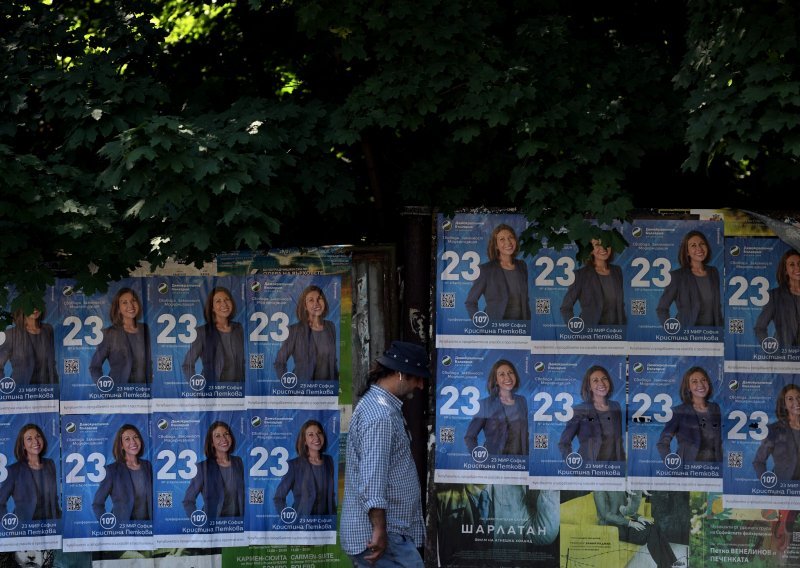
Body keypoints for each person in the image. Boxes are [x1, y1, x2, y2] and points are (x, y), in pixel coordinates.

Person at [341, 341, 429, 567]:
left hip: (389, 534)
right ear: (400, 374)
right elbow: (373, 476)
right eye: (417, 377)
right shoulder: (380, 415)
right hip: (383, 536)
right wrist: (379, 529)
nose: (420, 385)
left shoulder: (379, 406)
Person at [593, 490, 683, 568]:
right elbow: (606, 515)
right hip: (610, 527)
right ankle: (664, 566)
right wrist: (630, 523)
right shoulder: (599, 490)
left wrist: (639, 518)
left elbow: (626, 509)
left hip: (622, 523)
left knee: (654, 525)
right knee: (649, 532)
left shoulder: (618, 487)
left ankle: (672, 561)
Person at [558, 365, 625, 462]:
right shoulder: (579, 410)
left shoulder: (615, 406)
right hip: (589, 469)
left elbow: (618, 441)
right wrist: (574, 464)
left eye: (604, 379)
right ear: (589, 386)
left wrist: (622, 464)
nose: (601, 383)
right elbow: (564, 443)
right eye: (595, 380)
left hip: (613, 469)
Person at [465, 224, 531, 321]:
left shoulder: (522, 266)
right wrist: (482, 325)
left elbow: (524, 300)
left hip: (521, 328)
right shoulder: (485, 270)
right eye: (502, 239)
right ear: (496, 245)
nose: (508, 242)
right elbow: (470, 302)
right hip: (496, 328)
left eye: (510, 237)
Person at [656, 230, 723, 327]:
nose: (699, 248)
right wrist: (672, 330)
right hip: (687, 335)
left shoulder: (713, 272)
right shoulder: (677, 276)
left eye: (702, 244)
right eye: (693, 245)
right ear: (687, 252)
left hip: (712, 335)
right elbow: (661, 309)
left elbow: (716, 308)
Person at [656, 367, 722, 463]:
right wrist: (674, 467)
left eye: (703, 380)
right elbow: (662, 444)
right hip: (689, 471)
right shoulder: (678, 411)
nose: (700, 384)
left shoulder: (715, 408)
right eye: (694, 381)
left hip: (714, 470)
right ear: (688, 387)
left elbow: (718, 441)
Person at [464, 359, 529, 455]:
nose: (508, 377)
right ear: (496, 380)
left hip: (520, 464)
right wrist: (480, 460)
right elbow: (470, 437)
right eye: (501, 374)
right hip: (495, 464)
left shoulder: (522, 401)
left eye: (510, 372)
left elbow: (524, 434)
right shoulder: (485, 405)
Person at [273, 285, 338, 381]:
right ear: (305, 306)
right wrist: (289, 386)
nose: (316, 303)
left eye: (319, 299)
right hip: (303, 392)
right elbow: (279, 363)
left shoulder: (330, 327)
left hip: (328, 391)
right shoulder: (294, 330)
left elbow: (332, 361)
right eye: (311, 300)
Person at [273, 419, 336, 516]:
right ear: (304, 441)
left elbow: (330, 496)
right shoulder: (294, 466)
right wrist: (289, 519)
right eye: (311, 434)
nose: (316, 437)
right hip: (302, 525)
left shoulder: (329, 461)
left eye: (319, 433)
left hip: (326, 524)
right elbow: (278, 498)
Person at [182, 421, 244, 519]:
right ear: (211, 443)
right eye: (217, 436)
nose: (223, 439)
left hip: (238, 524)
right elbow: (188, 501)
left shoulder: (238, 462)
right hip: (214, 527)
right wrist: (199, 522)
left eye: (226, 434)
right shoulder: (202, 468)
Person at [92, 424, 153, 522]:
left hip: (147, 529)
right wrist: (109, 526)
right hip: (123, 531)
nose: (133, 442)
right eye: (127, 439)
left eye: (136, 437)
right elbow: (97, 504)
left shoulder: (148, 466)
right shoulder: (112, 470)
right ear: (121, 446)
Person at [90, 287, 152, 384]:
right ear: (118, 309)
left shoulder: (145, 329)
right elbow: (94, 367)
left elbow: (149, 362)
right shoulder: (109, 333)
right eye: (124, 302)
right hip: (119, 393)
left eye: (133, 300)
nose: (130, 305)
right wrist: (106, 390)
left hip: (143, 392)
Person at [182, 286, 244, 382]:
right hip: (213, 391)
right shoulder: (203, 332)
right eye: (218, 301)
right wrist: (198, 387)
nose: (224, 304)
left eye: (227, 299)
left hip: (237, 390)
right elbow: (187, 364)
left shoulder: (238, 329)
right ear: (212, 308)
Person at [0, 424, 60, 521]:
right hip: (26, 528)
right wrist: (8, 524)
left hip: (51, 525)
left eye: (38, 436)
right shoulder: (13, 470)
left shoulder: (50, 464)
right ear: (23, 445)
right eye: (29, 439)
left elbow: (53, 499)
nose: (35, 441)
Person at [560, 238, 626, 326]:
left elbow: (619, 305)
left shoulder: (617, 271)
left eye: (607, 243)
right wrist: (576, 330)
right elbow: (565, 308)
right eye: (597, 245)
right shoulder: (580, 275)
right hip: (590, 334)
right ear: (590, 250)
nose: (603, 248)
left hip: (615, 334)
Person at [0, 304, 58, 385]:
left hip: (47, 390)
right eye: (31, 304)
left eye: (37, 303)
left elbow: (51, 363)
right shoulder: (10, 335)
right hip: (21, 391)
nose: (35, 308)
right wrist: (5, 389)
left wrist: (55, 387)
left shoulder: (48, 329)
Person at [753, 384, 800, 481]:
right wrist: (769, 485)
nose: (796, 402)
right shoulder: (774, 430)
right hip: (783, 489)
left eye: (799, 397)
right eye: (790, 399)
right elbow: (758, 462)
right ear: (784, 404)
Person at [754, 249, 800, 347]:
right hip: (784, 356)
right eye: (792, 264)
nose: (797, 268)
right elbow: (759, 328)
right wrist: (771, 350)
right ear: (785, 271)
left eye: (799, 263)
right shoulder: (775, 296)